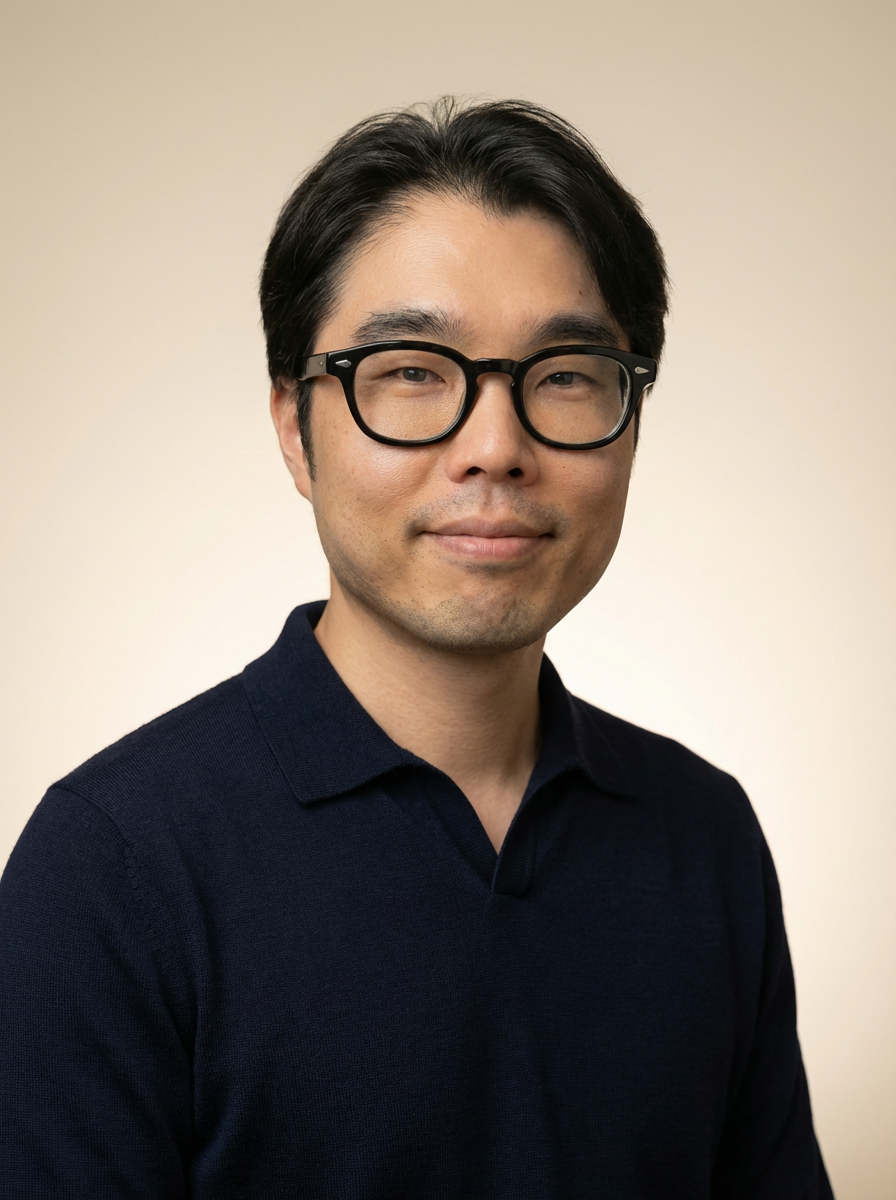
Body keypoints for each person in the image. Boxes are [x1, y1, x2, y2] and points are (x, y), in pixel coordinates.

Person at [0, 97, 833, 1198]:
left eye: (566, 375)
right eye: (411, 372)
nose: (494, 447)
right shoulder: (113, 866)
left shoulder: (702, 835)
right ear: (296, 427)